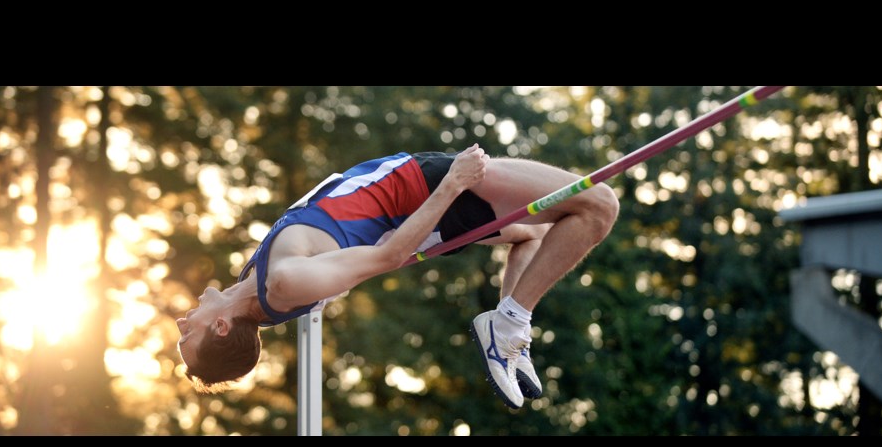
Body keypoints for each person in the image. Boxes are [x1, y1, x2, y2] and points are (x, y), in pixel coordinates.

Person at [176, 144, 619, 409]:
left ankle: (507, 323)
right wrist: (454, 182)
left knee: (534, 235)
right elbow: (389, 256)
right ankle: (510, 325)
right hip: (420, 190)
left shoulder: (252, 284)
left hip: (421, 210)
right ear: (220, 326)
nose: (181, 322)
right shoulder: (283, 283)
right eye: (186, 336)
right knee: (599, 205)